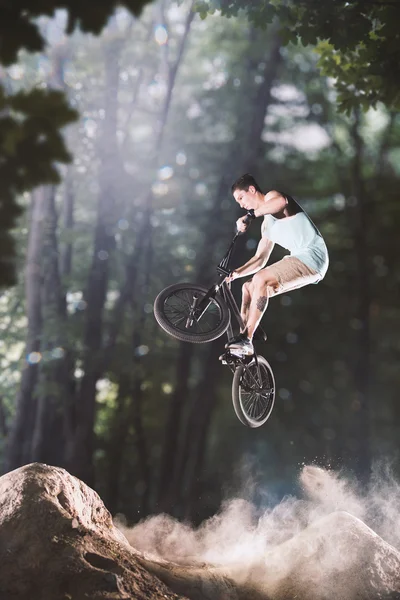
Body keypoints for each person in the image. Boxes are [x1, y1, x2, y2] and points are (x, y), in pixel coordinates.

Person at [225, 173, 329, 356]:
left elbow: (281, 202)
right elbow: (260, 259)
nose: (241, 204)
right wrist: (235, 274)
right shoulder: (267, 227)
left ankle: (246, 339)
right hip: (301, 259)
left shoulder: (272, 197)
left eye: (241, 198)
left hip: (312, 255)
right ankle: (244, 337)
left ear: (252, 189)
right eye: (238, 202)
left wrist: (251, 215)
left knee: (261, 279)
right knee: (248, 287)